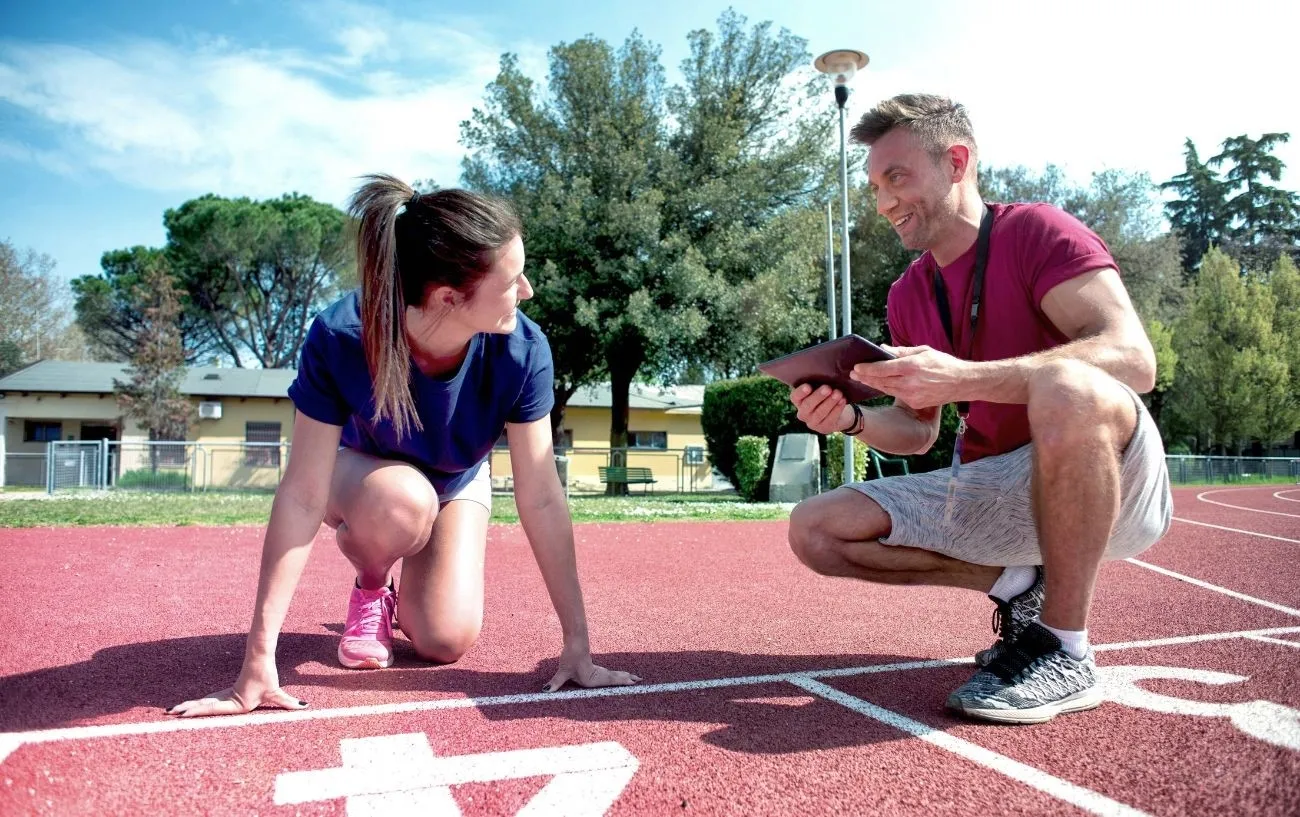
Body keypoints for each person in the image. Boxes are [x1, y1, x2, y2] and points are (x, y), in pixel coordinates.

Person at [168, 175, 639, 717]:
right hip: (363, 481)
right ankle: (372, 585)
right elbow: (302, 493)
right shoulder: (343, 335)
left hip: (456, 477)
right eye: (512, 280)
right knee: (405, 500)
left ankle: (406, 599)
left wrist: (577, 645)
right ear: (447, 296)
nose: (528, 290)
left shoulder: (524, 350)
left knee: (445, 640)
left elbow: (541, 497)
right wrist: (257, 660)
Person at [787, 94, 1173, 725]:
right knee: (813, 528)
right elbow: (916, 433)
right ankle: (1019, 585)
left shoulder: (1038, 232)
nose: (883, 203)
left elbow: (1134, 359)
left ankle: (1066, 651)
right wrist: (852, 421)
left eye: (897, 178)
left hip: (1111, 477)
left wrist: (965, 377)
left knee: (1066, 386)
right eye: (876, 186)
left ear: (956, 161)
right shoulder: (908, 293)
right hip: (994, 488)